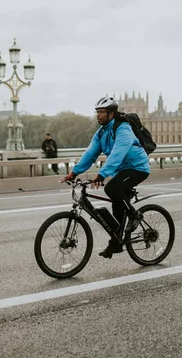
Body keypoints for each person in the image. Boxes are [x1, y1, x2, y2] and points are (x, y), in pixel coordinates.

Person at [61, 96, 150, 259]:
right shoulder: (102, 133)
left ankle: (135, 215)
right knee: (117, 207)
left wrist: (102, 174)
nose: (98, 115)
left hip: (137, 167)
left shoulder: (123, 129)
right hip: (121, 170)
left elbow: (118, 153)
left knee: (111, 188)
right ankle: (116, 243)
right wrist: (74, 172)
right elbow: (91, 153)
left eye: (101, 112)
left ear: (111, 113)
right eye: (97, 112)